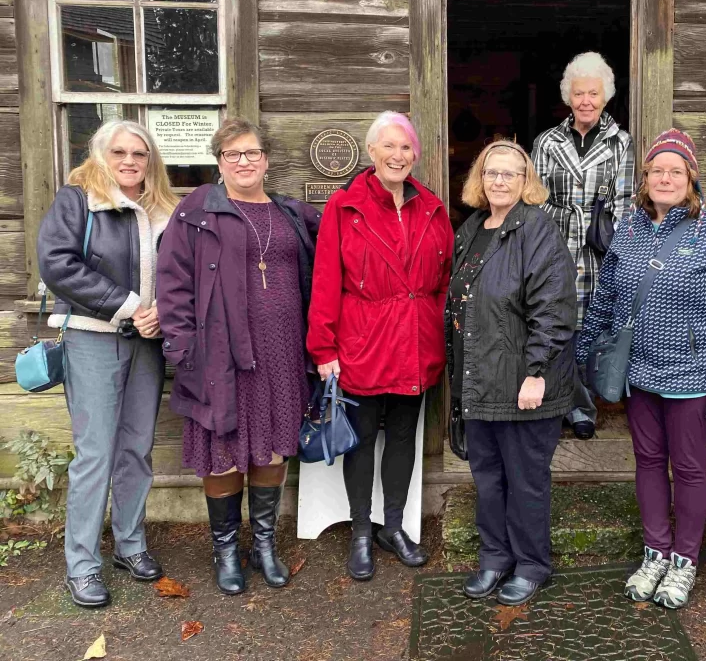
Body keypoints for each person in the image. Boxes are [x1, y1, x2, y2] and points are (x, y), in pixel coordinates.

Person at [577, 129, 706, 610]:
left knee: (691, 470)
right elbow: (607, 298)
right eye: (657, 170)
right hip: (639, 376)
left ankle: (684, 561)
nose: (665, 177)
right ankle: (655, 552)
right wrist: (583, 354)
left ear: (691, 178)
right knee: (650, 463)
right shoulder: (629, 229)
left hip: (692, 377)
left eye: (676, 171)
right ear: (645, 178)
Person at [157, 118, 321, 595]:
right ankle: (227, 550)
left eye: (252, 153)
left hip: (284, 352)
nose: (244, 162)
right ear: (220, 162)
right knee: (223, 452)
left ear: (267, 160)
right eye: (233, 155)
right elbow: (172, 283)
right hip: (220, 354)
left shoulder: (292, 213)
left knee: (271, 445)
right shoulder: (196, 212)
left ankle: (265, 545)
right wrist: (184, 349)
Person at [38, 120, 178, 608]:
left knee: (137, 449)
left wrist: (166, 313)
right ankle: (81, 565)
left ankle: (130, 545)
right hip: (94, 338)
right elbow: (58, 263)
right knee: (96, 453)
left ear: (150, 160)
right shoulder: (78, 199)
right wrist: (130, 307)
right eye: (119, 152)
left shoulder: (164, 207)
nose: (130, 161)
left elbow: (181, 272)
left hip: (148, 343)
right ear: (101, 155)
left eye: (140, 154)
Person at [307, 112, 452, 582]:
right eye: (388, 146)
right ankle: (361, 533)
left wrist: (443, 332)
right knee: (363, 438)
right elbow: (327, 279)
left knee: (404, 437)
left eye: (405, 147)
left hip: (416, 340)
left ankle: (393, 527)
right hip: (363, 341)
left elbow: (445, 280)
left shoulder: (431, 206)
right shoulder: (344, 206)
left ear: (415, 155)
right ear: (371, 153)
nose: (397, 155)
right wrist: (323, 348)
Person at [447, 139, 577, 607]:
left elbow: (556, 307)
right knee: (487, 477)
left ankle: (530, 564)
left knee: (525, 480)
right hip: (479, 380)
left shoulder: (537, 230)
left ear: (526, 183)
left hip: (523, 383)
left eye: (510, 174)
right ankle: (495, 558)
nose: (499, 181)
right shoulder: (474, 228)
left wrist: (537, 371)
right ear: (479, 180)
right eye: (492, 173)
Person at [532, 51, 635, 439]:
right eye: (579, 94)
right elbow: (536, 198)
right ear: (568, 97)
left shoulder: (619, 143)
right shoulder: (547, 141)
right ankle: (560, 403)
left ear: (605, 96)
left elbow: (625, 204)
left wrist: (621, 253)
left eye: (593, 93)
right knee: (554, 325)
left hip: (597, 249)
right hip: (555, 247)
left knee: (589, 329)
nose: (586, 101)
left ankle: (581, 405)